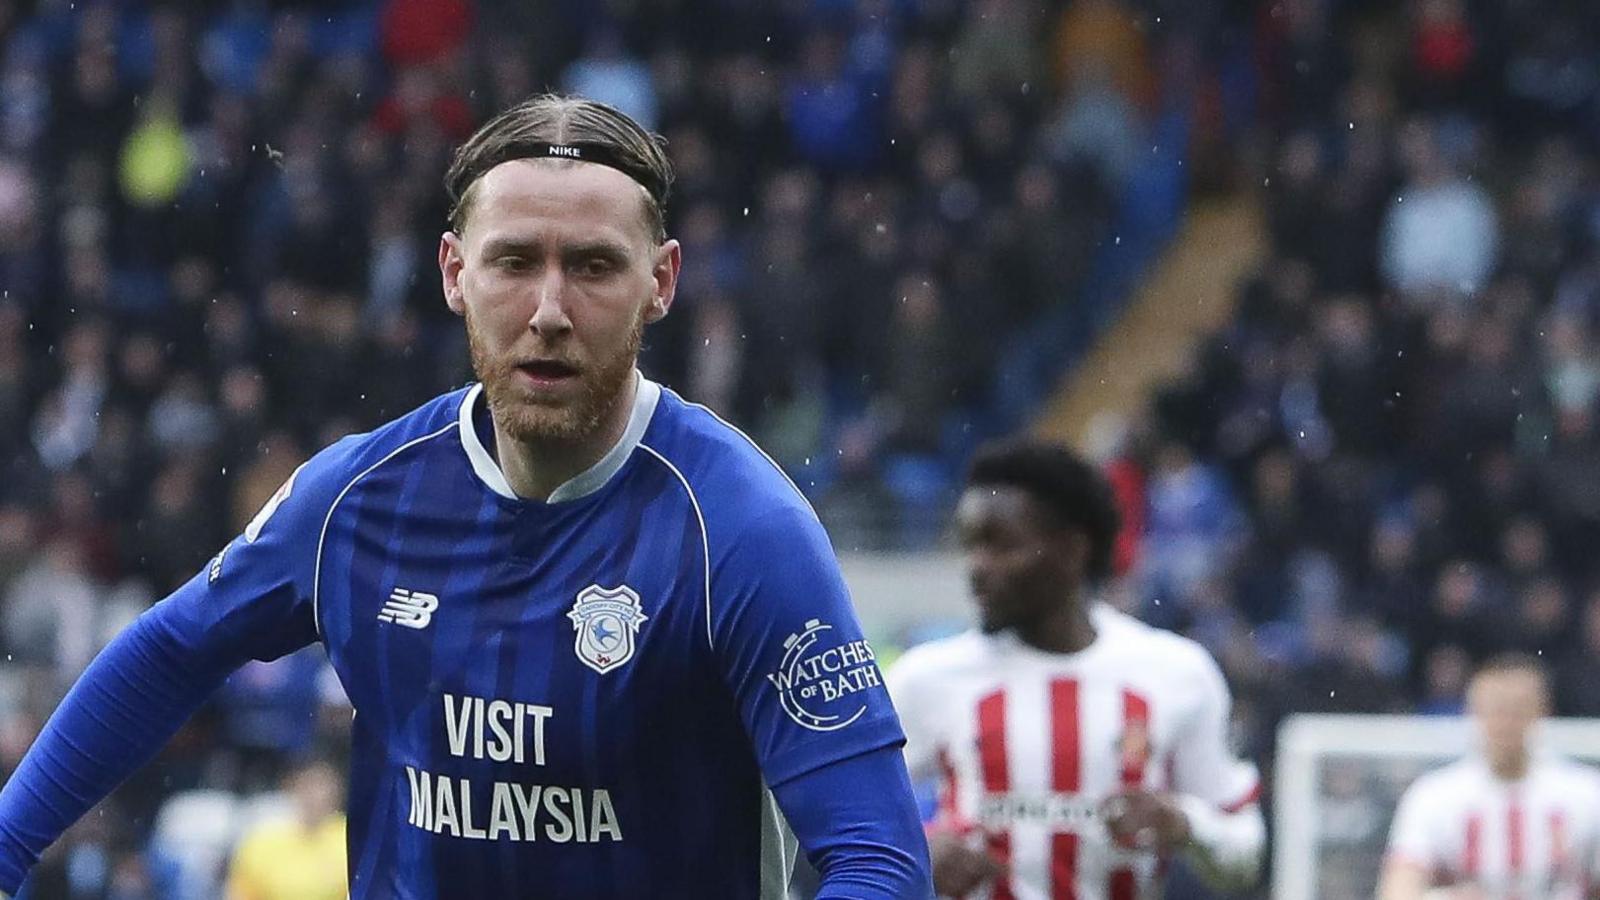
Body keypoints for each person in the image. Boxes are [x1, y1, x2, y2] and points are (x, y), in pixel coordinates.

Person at [0, 95, 931, 899]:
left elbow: (881, 863)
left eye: (595, 265)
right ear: (454, 273)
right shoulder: (358, 498)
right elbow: (170, 650)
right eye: (515, 260)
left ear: (662, 282)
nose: (550, 309)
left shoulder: (740, 531)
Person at [886, 440, 1263, 898]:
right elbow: (836, 826)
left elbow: (1245, 855)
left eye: (1001, 545)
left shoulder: (1176, 674)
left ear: (1072, 549)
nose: (977, 568)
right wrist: (918, 850)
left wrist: (1183, 823)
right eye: (970, 545)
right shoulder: (927, 679)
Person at [1378, 655, 1600, 900]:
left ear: (1541, 711)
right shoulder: (1434, 796)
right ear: (1472, 711)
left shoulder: (1586, 794)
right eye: (1495, 709)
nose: (1505, 722)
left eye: (1517, 709)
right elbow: (1399, 888)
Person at [225, 759, 347, 900]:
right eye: (309, 786)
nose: (317, 796)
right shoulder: (262, 841)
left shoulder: (350, 840)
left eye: (323, 787)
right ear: (294, 788)